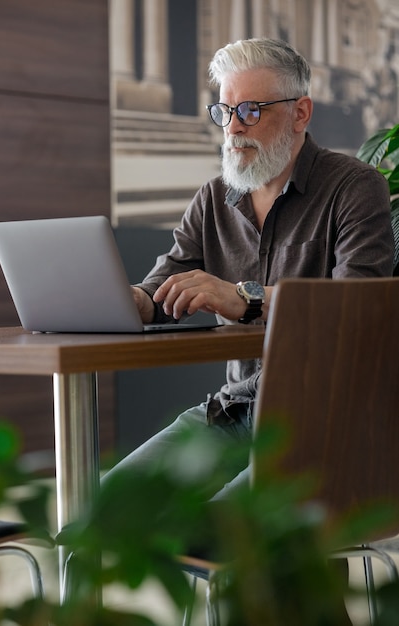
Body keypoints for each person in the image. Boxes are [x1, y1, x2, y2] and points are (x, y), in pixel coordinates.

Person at [104, 37, 393, 503]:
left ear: (301, 113)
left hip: (328, 422)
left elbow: (357, 310)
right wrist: (133, 300)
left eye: (251, 111)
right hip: (234, 412)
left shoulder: (356, 187)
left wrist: (248, 298)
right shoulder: (213, 198)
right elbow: (161, 287)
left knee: (222, 537)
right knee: (103, 514)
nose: (233, 128)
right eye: (224, 111)